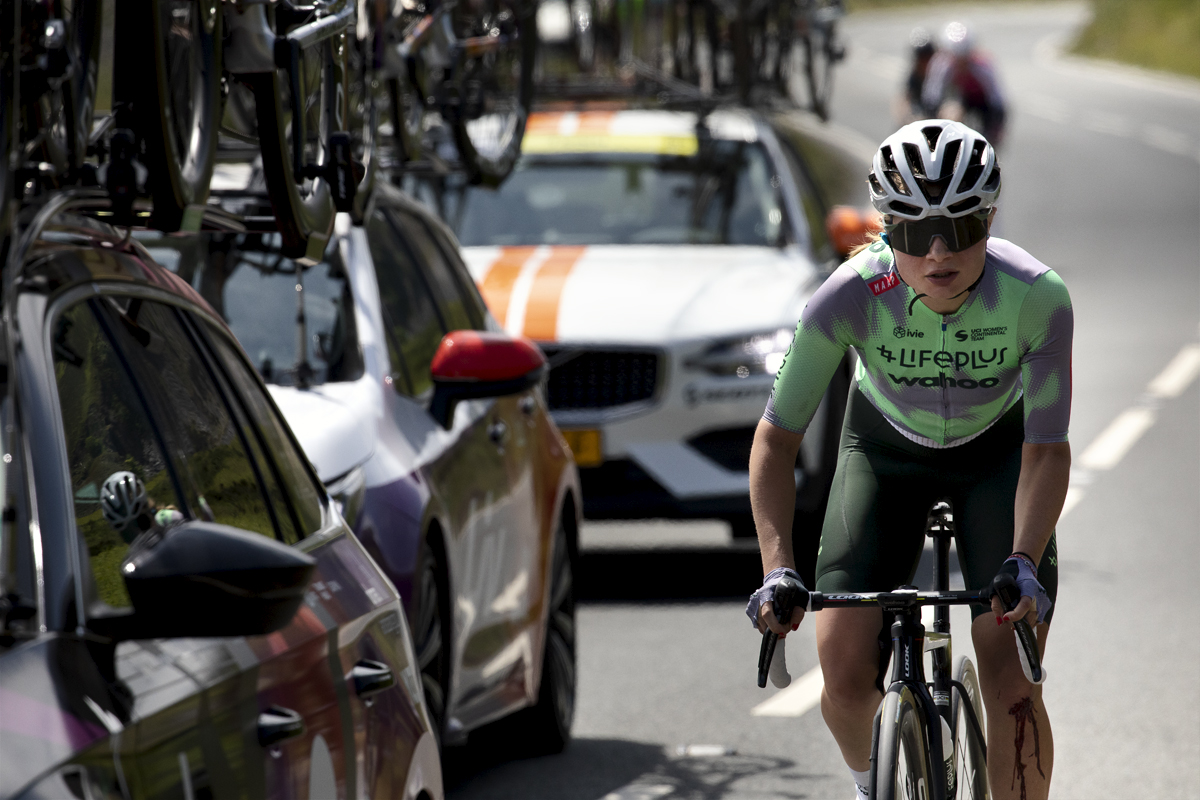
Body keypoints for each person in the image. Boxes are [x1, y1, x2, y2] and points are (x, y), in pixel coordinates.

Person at [746, 120, 1071, 800]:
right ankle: (874, 785)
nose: (936, 252)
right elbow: (776, 442)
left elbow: (1044, 449)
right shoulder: (846, 297)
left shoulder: (1037, 298)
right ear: (883, 225)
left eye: (959, 228)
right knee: (840, 663)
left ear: (990, 218)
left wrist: (1023, 557)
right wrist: (778, 568)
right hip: (884, 453)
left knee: (1010, 677)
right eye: (910, 230)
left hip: (999, 460)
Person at [921, 22, 1007, 145]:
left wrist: (996, 129)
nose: (961, 64)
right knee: (952, 112)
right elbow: (932, 96)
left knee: (990, 141)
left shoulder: (983, 66)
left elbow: (996, 99)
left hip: (983, 103)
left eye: (965, 58)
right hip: (960, 99)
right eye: (957, 58)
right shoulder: (941, 64)